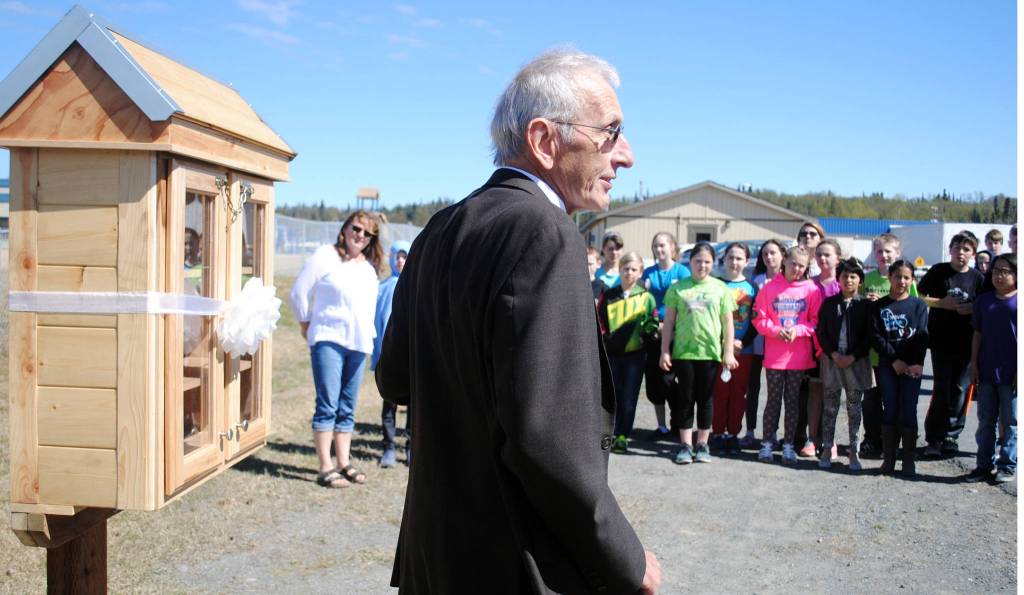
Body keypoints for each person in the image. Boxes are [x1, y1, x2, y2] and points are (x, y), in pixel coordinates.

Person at [375, 49, 661, 594]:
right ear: (544, 141)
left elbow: (394, 379)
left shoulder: (439, 229)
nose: (625, 154)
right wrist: (625, 558)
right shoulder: (544, 233)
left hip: (435, 558)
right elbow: (548, 442)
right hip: (515, 566)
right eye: (610, 131)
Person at [290, 210, 383, 488]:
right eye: (356, 229)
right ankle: (325, 466)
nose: (360, 236)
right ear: (344, 229)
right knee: (328, 404)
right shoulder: (325, 256)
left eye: (367, 234)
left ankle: (344, 462)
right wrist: (306, 321)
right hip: (329, 339)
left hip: (358, 342)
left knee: (347, 407)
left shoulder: (368, 268)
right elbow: (298, 292)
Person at [660, 242, 738, 464]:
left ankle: (702, 444)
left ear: (713, 264)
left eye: (707, 262)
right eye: (697, 261)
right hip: (684, 354)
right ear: (690, 262)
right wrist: (665, 351)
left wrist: (728, 352)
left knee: (705, 399)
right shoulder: (678, 288)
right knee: (685, 399)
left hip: (710, 354)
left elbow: (728, 324)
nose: (702, 265)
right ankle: (685, 445)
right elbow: (668, 323)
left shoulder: (721, 289)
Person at [752, 246, 823, 464]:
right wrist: (775, 331)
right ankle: (766, 444)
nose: (797, 269)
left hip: (798, 358)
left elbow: (815, 322)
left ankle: (789, 445)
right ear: (785, 262)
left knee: (792, 402)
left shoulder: (811, 290)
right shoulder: (769, 288)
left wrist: (798, 331)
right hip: (774, 357)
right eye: (793, 264)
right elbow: (758, 319)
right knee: (773, 400)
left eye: (802, 266)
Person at [919, 232, 985, 457]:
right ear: (950, 250)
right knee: (941, 389)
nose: (961, 253)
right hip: (940, 342)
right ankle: (934, 437)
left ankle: (951, 435)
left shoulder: (978, 279)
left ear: (973, 254)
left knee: (961, 390)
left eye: (966, 249)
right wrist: (941, 303)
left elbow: (985, 305)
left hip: (967, 345)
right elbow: (918, 295)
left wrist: (973, 308)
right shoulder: (939, 271)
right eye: (957, 248)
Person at [858, 232, 918, 459]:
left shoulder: (906, 280)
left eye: (888, 251)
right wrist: (868, 304)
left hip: (899, 353)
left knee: (896, 401)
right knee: (871, 401)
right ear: (874, 254)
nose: (884, 255)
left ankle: (894, 443)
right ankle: (872, 440)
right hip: (874, 353)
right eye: (880, 251)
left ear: (897, 253)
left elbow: (914, 311)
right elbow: (859, 311)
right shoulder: (869, 278)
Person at [871, 260, 929, 476]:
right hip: (888, 365)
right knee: (891, 408)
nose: (901, 281)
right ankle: (889, 459)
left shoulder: (918, 305)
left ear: (912, 279)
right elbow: (876, 337)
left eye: (906, 277)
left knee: (909, 409)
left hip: (912, 366)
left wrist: (916, 363)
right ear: (890, 278)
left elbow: (922, 336)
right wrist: (895, 359)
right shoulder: (879, 306)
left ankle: (908, 459)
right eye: (897, 277)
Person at [815, 257, 873, 471]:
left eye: (853, 276)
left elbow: (869, 336)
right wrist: (832, 353)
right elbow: (821, 332)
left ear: (860, 280)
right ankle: (827, 448)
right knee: (830, 406)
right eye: (845, 276)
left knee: (854, 407)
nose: (849, 280)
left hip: (856, 363)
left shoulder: (865, 305)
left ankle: (854, 452)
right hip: (832, 361)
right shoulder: (829, 304)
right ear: (838, 279)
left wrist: (853, 356)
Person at [598, 251, 657, 453]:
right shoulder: (609, 295)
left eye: (633, 269)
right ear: (619, 269)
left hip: (635, 356)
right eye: (625, 268)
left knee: (629, 396)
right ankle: (608, 434)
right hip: (612, 354)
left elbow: (652, 322)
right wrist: (606, 339)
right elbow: (600, 322)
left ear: (640, 272)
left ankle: (623, 435)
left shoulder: (646, 297)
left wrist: (644, 337)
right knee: (612, 394)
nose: (628, 273)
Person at [966, 253, 1017, 484]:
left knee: (1011, 421)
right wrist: (974, 362)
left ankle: (1007, 464)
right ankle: (983, 464)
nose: (999, 275)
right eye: (996, 270)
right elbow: (977, 334)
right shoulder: (984, 301)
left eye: (1005, 271)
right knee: (986, 420)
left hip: (1013, 373)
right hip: (987, 370)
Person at [642, 231, 691, 440]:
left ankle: (677, 423)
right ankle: (661, 426)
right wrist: (656, 326)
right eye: (655, 246)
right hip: (653, 333)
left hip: (677, 333)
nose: (659, 250)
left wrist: (669, 328)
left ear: (673, 247)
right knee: (654, 382)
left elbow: (687, 303)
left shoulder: (682, 272)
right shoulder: (648, 273)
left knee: (671, 380)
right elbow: (643, 301)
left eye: (663, 245)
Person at [738, 239, 785, 449]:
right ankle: (749, 431)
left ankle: (772, 433)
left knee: (777, 392)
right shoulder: (756, 281)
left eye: (773, 253)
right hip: (757, 342)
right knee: (753, 388)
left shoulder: (789, 280)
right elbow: (752, 315)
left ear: (782, 255)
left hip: (780, 343)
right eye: (765, 254)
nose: (769, 257)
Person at [711, 242, 756, 455]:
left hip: (743, 351)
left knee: (738, 394)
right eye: (730, 257)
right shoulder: (715, 284)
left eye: (739, 258)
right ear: (724, 259)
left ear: (746, 261)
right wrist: (723, 343)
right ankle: (717, 432)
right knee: (719, 392)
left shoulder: (752, 288)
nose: (734, 262)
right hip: (717, 350)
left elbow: (755, 322)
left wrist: (742, 343)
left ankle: (733, 435)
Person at [371, 240, 411, 468]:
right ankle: (388, 446)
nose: (400, 261)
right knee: (389, 404)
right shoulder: (383, 288)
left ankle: (411, 447)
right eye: (397, 256)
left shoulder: (417, 287)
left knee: (413, 408)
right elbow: (376, 322)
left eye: (404, 256)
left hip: (411, 358)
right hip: (388, 357)